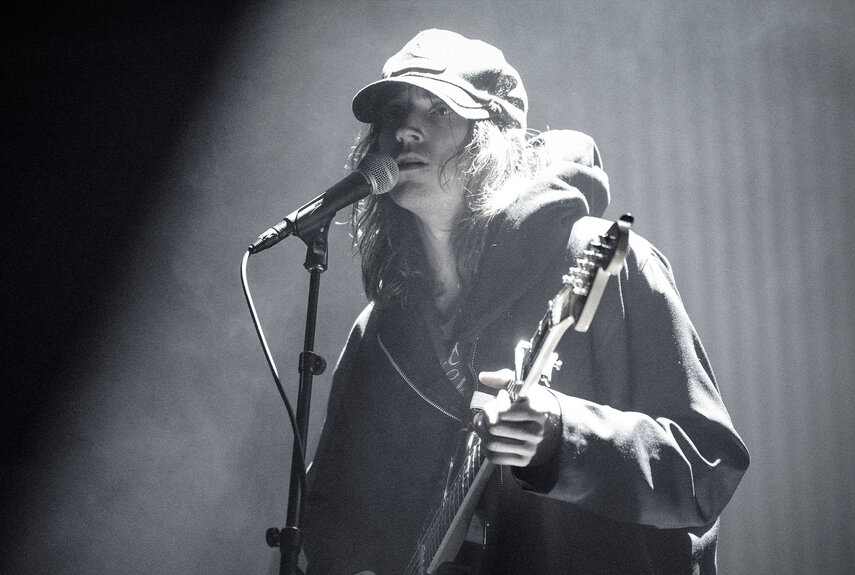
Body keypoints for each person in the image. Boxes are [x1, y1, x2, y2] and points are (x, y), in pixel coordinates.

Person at [302, 29, 749, 575]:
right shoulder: (383, 330)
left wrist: (565, 433)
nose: (405, 129)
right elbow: (331, 513)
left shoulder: (602, 262)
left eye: (440, 109)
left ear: (493, 139)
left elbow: (707, 468)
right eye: (395, 111)